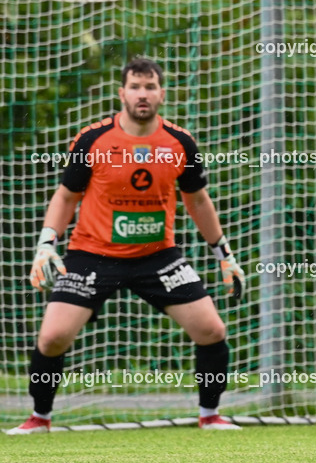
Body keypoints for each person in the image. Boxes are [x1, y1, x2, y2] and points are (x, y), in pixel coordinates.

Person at [7, 58, 245, 435]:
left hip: (158, 257)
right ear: (122, 93)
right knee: (52, 338)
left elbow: (197, 200)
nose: (143, 94)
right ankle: (40, 419)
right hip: (92, 254)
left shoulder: (180, 143)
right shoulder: (93, 140)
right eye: (135, 86)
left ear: (162, 94)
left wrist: (225, 255)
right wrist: (45, 244)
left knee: (212, 331)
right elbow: (67, 196)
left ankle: (210, 415)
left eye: (150, 87)